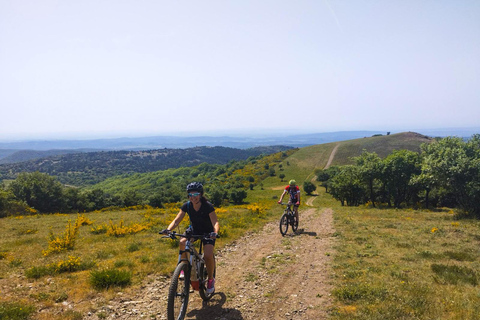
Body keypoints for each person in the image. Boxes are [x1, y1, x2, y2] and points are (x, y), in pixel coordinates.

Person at [161, 182, 220, 294]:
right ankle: (183, 267)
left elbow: (215, 222)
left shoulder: (207, 206)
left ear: (201, 194)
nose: (194, 197)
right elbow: (177, 220)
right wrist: (168, 230)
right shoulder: (187, 206)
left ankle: (211, 280)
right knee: (182, 241)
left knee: (208, 255)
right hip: (195, 230)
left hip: (208, 232)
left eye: (196, 194)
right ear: (188, 196)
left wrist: (215, 232)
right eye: (191, 195)